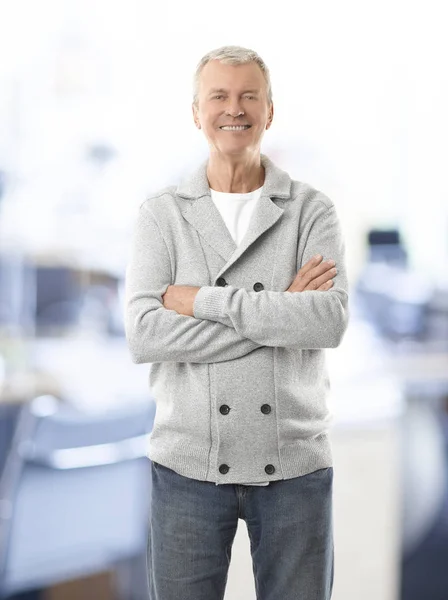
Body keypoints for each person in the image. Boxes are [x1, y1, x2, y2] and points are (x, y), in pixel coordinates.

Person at [125, 44, 349, 600]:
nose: (235, 108)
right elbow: (145, 332)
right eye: (219, 96)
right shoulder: (162, 213)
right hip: (187, 466)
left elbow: (327, 321)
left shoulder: (310, 210)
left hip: (294, 465)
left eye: (250, 95)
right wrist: (278, 311)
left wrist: (201, 299)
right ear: (196, 112)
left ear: (269, 111)